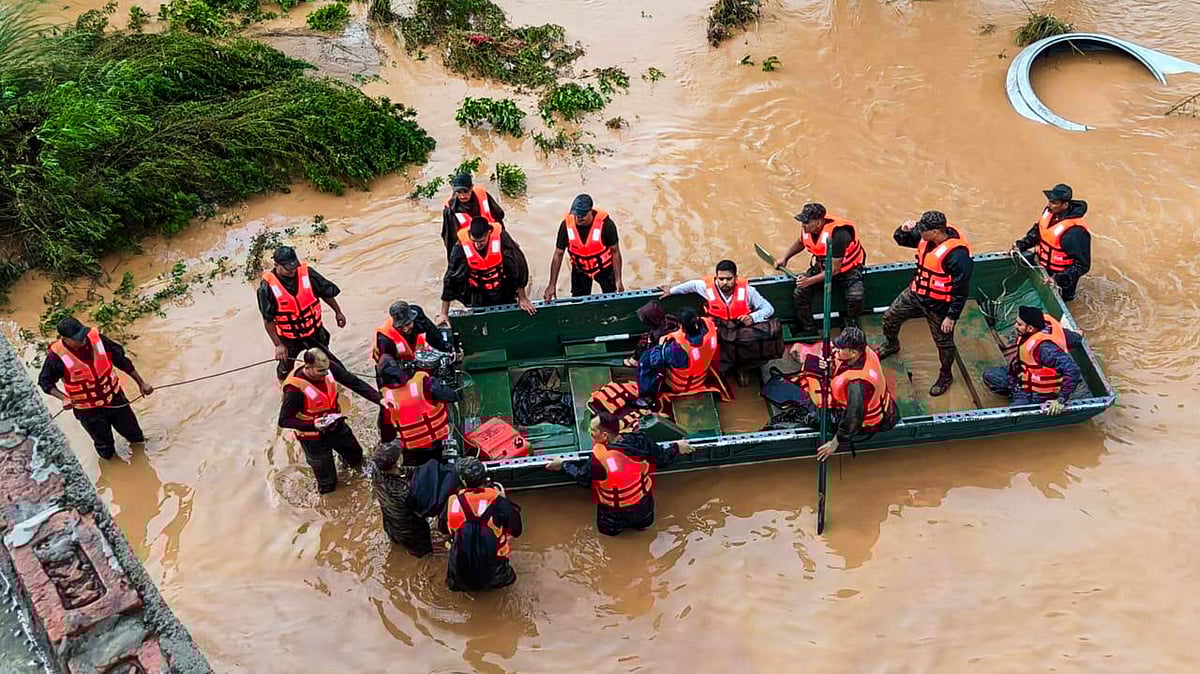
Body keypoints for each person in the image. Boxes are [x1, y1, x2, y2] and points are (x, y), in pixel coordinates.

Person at [546, 413, 694, 536]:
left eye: (592, 430)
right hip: (644, 509)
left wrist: (564, 464)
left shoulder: (598, 460)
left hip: (613, 515)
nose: (590, 433)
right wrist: (676, 447)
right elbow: (662, 458)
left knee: (609, 539)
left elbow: (582, 478)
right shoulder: (640, 440)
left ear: (604, 435)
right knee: (644, 532)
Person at [878, 211, 973, 397]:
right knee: (890, 317)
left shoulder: (958, 256)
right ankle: (891, 344)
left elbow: (961, 290)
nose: (919, 233)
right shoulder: (926, 238)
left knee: (943, 342)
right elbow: (900, 239)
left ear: (936, 232)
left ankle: (945, 375)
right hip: (916, 293)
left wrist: (952, 316)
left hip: (939, 305)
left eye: (923, 230)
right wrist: (903, 230)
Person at [39, 317, 154, 460]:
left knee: (136, 437)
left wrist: (141, 383)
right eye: (77, 338)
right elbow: (45, 382)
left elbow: (122, 360)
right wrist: (64, 398)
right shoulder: (56, 357)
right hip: (88, 411)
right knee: (105, 449)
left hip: (115, 399)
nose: (83, 340)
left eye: (83, 335)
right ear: (65, 339)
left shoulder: (97, 341)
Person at [278, 349, 382, 494]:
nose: (326, 374)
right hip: (313, 439)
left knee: (357, 458)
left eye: (326, 370)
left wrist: (380, 399)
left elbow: (354, 383)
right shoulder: (294, 390)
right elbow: (284, 420)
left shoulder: (328, 368)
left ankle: (353, 478)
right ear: (307, 367)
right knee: (328, 483)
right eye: (320, 371)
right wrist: (313, 424)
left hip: (336, 425)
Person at [789, 328, 899, 461]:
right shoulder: (864, 352)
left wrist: (835, 442)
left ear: (853, 353)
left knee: (814, 418)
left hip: (869, 422)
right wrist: (830, 367)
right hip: (882, 405)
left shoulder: (858, 384)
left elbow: (853, 418)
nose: (837, 349)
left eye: (841, 348)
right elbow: (843, 365)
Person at [258, 245, 358, 384]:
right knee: (284, 370)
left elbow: (325, 293)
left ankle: (333, 386)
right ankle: (284, 389)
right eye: (288, 268)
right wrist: (278, 345)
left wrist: (338, 312)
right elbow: (268, 320)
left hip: (314, 331)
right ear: (276, 265)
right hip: (289, 337)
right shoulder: (267, 287)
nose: (293, 270)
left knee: (330, 364)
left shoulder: (307, 274)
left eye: (294, 266)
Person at [774, 202, 868, 335]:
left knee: (856, 297)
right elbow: (801, 242)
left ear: (818, 223)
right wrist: (785, 257)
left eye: (806, 222)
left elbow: (834, 270)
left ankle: (851, 323)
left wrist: (809, 281)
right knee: (800, 293)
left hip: (848, 271)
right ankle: (809, 328)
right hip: (822, 267)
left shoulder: (838, 235)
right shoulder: (807, 229)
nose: (803, 225)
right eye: (803, 222)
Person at [438, 457, 523, 592]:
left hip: (462, 567)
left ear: (463, 481)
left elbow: (443, 529)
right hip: (495, 568)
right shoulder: (499, 502)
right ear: (485, 478)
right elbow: (517, 531)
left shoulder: (451, 502)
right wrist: (503, 498)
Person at [982, 306, 1083, 413]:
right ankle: (1013, 390)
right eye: (1016, 322)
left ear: (1030, 328)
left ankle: (1024, 399)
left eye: (1019, 324)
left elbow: (1072, 369)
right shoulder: (1037, 328)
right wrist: (1078, 334)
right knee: (989, 376)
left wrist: (1061, 400)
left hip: (1038, 392)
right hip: (1021, 375)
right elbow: (1075, 337)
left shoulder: (1045, 349)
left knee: (1015, 412)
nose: (1015, 326)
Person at [438, 216, 535, 325]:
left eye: (481, 241)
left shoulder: (502, 238)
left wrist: (522, 297)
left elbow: (518, 266)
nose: (477, 245)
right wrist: (444, 313)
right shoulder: (460, 247)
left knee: (508, 319)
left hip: (502, 287)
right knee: (481, 321)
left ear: (489, 233)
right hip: (478, 292)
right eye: (474, 241)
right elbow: (450, 279)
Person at [1011, 184, 1091, 301]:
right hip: (1042, 267)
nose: (1049, 205)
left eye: (1054, 203)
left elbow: (1083, 265)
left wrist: (1058, 279)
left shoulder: (1075, 232)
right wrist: (1021, 245)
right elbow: (1038, 232)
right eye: (1050, 201)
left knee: (1063, 301)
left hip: (1061, 279)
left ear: (1065, 205)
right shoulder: (1049, 212)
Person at [377, 359, 460, 466]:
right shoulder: (423, 382)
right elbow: (451, 396)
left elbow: (386, 433)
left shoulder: (386, 398)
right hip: (439, 444)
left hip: (412, 452)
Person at [636, 308, 727, 404]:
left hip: (682, 385)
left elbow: (656, 361)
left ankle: (646, 397)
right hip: (701, 376)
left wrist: (660, 344)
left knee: (646, 358)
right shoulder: (710, 326)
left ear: (681, 326)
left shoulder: (678, 349)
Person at [543, 194, 624, 301]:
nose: (578, 219)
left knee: (612, 298)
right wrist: (552, 285)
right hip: (580, 269)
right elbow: (558, 254)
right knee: (578, 301)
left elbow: (615, 252)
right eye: (576, 216)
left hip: (604, 269)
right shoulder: (566, 226)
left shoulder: (607, 225)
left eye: (582, 216)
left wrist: (618, 280)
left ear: (590, 211)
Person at [659, 260, 774, 326]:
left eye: (729, 279)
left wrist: (752, 318)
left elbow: (768, 308)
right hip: (718, 326)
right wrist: (671, 291)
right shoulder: (707, 288)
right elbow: (692, 285)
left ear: (736, 278)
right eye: (721, 279)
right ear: (716, 278)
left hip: (740, 326)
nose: (725, 282)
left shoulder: (748, 291)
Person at [370, 441, 433, 557]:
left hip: (390, 521)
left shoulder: (377, 470)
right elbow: (425, 509)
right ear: (397, 461)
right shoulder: (404, 491)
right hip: (410, 531)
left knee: (397, 547)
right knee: (424, 556)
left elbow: (403, 472)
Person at [372, 301, 452, 374]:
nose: (405, 330)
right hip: (393, 366)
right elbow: (387, 368)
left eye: (408, 324)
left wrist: (448, 349)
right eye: (400, 327)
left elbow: (434, 336)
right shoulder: (385, 339)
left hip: (413, 359)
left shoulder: (418, 317)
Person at [441, 173, 505, 256]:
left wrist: (507, 241)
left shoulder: (482, 195)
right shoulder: (450, 210)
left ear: (471, 188)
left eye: (465, 191)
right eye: (459, 192)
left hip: (490, 238)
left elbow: (498, 217)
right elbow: (450, 240)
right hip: (468, 248)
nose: (462, 196)